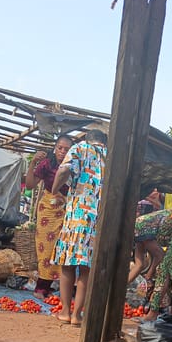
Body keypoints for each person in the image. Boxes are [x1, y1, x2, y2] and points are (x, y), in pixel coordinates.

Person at [51, 128, 108, 326]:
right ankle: (77, 315)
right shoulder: (111, 157)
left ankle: (65, 311)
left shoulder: (81, 148)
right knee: (86, 268)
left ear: (88, 139)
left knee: (68, 265)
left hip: (78, 215)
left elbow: (64, 169)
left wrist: (55, 188)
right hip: (100, 219)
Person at [25, 135, 74, 299]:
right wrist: (33, 163)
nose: (62, 151)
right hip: (48, 210)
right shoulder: (47, 164)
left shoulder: (75, 167)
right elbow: (30, 185)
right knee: (45, 247)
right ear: (55, 148)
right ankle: (41, 286)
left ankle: (59, 286)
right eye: (60, 148)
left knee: (63, 247)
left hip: (68, 210)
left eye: (66, 149)